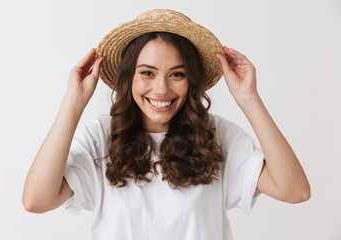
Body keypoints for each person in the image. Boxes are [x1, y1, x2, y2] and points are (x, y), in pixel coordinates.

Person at [22, 9, 310, 240]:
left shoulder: (216, 135)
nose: (161, 89)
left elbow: (295, 191)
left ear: (191, 80)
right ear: (129, 78)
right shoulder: (102, 137)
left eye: (176, 74)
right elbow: (36, 200)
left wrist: (249, 99)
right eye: (147, 72)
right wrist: (73, 103)